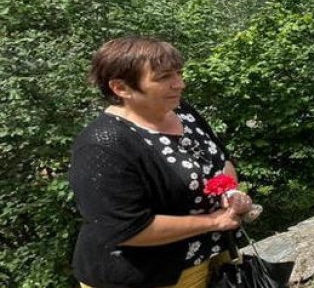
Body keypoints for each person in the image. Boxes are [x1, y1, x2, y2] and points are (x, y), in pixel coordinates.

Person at [69, 37, 255, 288]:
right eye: (164, 77)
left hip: (212, 257)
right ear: (121, 88)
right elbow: (128, 228)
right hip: (149, 276)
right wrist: (214, 221)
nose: (180, 84)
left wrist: (230, 193)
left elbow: (222, 161)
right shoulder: (102, 145)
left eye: (178, 73)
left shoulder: (182, 112)